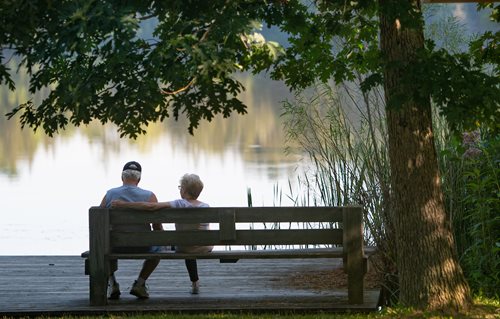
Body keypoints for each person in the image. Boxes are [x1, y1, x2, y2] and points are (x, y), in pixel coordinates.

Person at [111, 173, 213, 294]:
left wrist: (124, 204)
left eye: (180, 187)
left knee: (186, 246)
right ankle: (195, 284)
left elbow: (151, 207)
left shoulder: (179, 204)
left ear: (184, 190)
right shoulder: (205, 206)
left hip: (184, 247)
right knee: (192, 242)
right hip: (204, 247)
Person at [100, 161, 163, 300]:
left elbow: (100, 224)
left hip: (116, 246)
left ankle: (113, 284)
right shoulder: (150, 196)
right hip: (143, 246)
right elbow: (157, 226)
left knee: (105, 245)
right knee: (158, 248)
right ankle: (140, 284)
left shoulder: (110, 194)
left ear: (122, 177)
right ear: (139, 179)